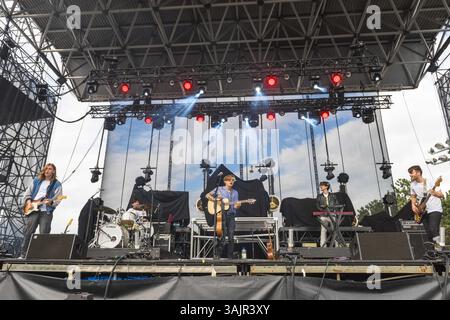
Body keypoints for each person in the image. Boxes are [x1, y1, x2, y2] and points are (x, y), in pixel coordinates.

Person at [21, 163, 63, 258]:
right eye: (46, 168)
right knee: (28, 232)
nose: (47, 170)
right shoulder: (36, 180)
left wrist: (51, 203)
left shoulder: (57, 184)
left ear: (53, 171)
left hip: (46, 211)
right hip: (33, 209)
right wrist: (28, 202)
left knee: (44, 233)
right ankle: (23, 254)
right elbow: (28, 193)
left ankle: (41, 255)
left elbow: (59, 198)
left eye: (50, 169)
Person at [206, 175, 241, 259]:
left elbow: (235, 206)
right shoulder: (220, 189)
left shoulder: (235, 192)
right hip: (222, 215)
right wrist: (215, 200)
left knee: (231, 236)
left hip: (231, 215)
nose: (231, 181)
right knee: (222, 235)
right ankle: (218, 254)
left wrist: (238, 205)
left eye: (233, 180)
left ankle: (230, 256)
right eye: (229, 180)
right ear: (225, 181)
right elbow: (207, 195)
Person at [409, 165, 444, 244]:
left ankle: (441, 248)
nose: (410, 175)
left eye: (412, 173)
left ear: (418, 173)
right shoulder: (412, 185)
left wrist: (434, 193)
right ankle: (433, 253)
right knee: (428, 233)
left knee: (433, 229)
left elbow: (441, 195)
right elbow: (413, 196)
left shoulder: (430, 181)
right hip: (422, 211)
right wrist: (413, 205)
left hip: (435, 209)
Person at [316, 181, 338, 247]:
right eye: (320, 185)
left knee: (334, 230)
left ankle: (337, 245)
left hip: (332, 215)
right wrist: (322, 211)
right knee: (323, 231)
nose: (321, 187)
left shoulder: (333, 195)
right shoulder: (319, 196)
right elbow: (317, 205)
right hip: (323, 215)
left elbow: (337, 204)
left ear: (326, 186)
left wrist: (334, 210)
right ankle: (323, 246)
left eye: (322, 185)